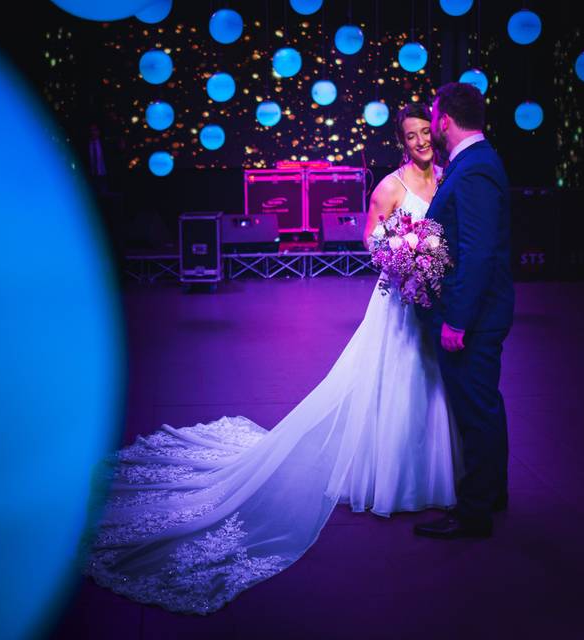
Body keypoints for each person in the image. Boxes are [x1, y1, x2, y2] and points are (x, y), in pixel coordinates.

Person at [84, 104, 460, 614]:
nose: (420, 142)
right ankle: (385, 476)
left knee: (429, 382)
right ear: (401, 140)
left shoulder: (448, 176)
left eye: (425, 134)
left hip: (431, 300)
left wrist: (432, 260)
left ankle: (428, 472)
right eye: (411, 136)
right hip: (396, 300)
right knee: (389, 380)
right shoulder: (390, 187)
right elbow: (369, 237)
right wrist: (401, 252)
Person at [413, 82, 514, 539]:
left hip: (473, 316)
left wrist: (457, 319)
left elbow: (477, 252)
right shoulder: (474, 162)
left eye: (434, 118)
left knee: (475, 410)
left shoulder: (473, 169)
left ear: (444, 121)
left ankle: (474, 512)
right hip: (477, 310)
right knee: (484, 405)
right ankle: (491, 495)